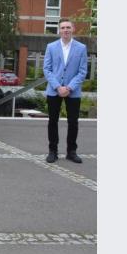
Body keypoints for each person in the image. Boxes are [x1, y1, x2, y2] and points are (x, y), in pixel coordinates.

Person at [43, 18, 88, 164]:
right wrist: (58, 87)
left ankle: (71, 151)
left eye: (68, 27)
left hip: (73, 91)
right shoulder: (51, 47)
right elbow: (47, 69)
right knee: (53, 121)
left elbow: (82, 71)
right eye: (63, 28)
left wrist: (69, 87)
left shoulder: (81, 48)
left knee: (73, 122)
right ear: (59, 30)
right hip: (54, 89)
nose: (66, 30)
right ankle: (52, 151)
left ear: (73, 29)